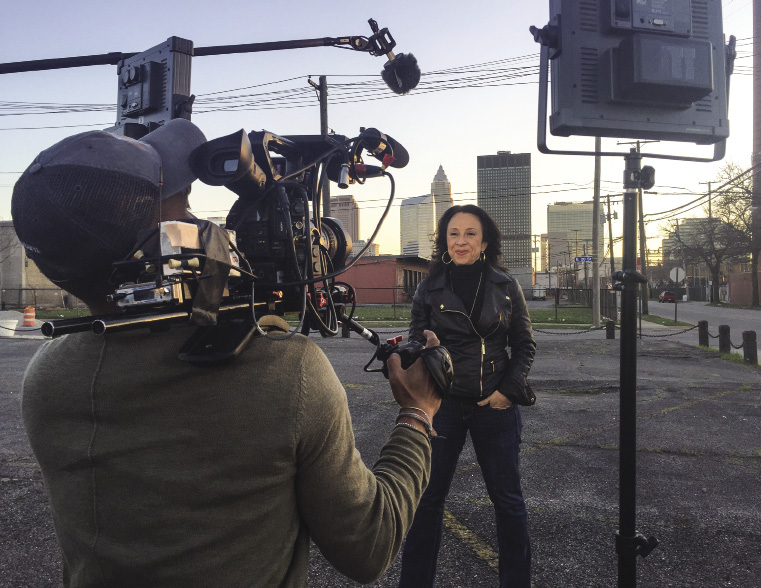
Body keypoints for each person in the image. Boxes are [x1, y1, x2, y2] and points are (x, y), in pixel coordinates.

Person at [12, 119, 443, 587]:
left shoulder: (46, 377)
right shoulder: (285, 371)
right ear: (158, 248)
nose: (208, 225)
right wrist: (417, 415)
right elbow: (369, 547)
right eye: (188, 208)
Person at [399, 204, 537, 588]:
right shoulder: (429, 287)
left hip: (494, 407)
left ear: (485, 241)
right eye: (453, 233)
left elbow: (524, 346)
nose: (461, 241)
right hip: (441, 406)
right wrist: (414, 349)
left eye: (470, 233)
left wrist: (506, 393)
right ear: (444, 241)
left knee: (508, 502)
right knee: (426, 502)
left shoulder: (505, 286)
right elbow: (413, 339)